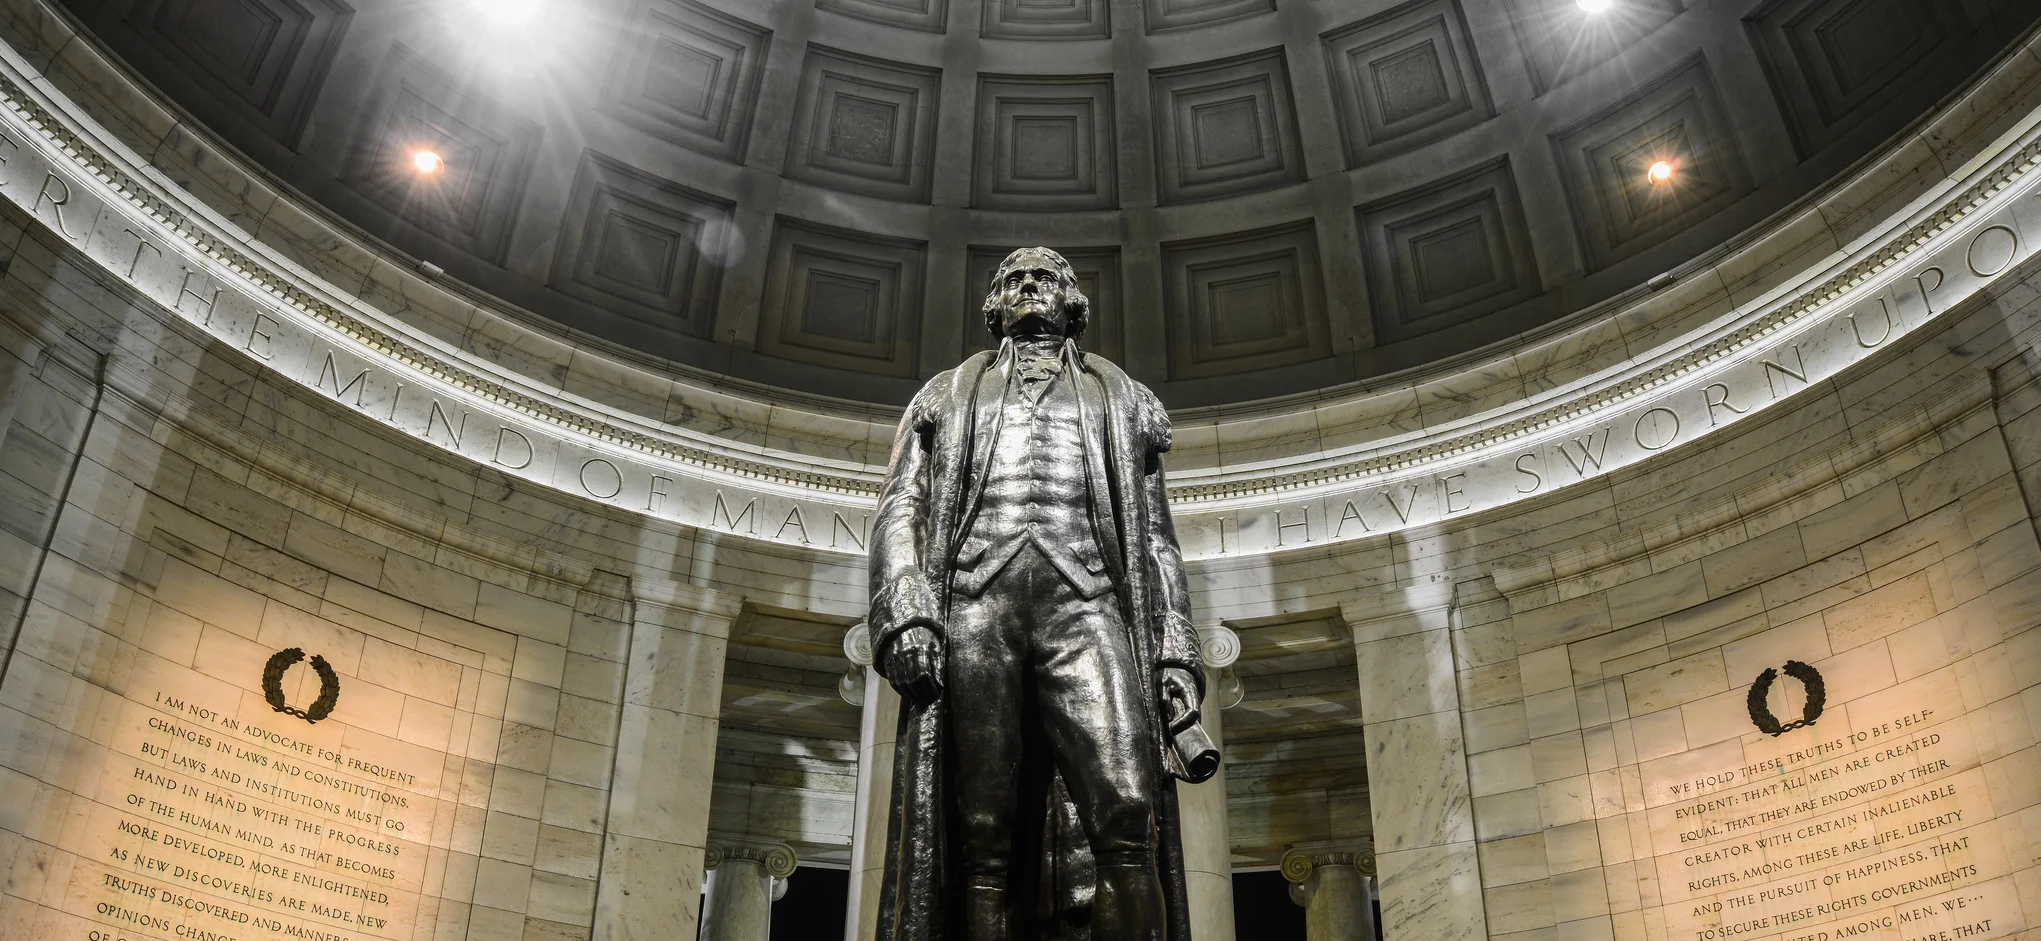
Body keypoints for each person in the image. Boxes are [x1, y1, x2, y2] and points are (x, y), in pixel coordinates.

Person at [867, 247, 1211, 941]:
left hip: (1087, 607)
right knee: (980, 829)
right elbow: (899, 507)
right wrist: (905, 608)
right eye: (1012, 279)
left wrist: (1175, 653)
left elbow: (1154, 539)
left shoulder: (1125, 399)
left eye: (1044, 277)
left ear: (1070, 301)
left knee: (1128, 803)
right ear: (993, 305)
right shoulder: (942, 394)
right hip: (973, 607)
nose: (1027, 285)